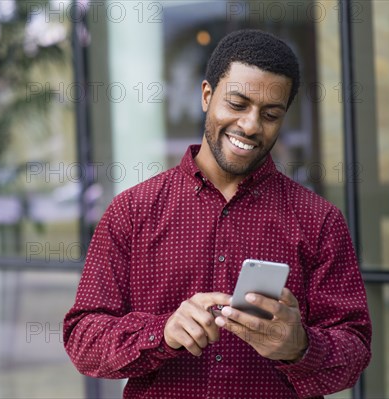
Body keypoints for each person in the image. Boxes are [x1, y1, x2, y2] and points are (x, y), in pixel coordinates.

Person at [63, 29, 371, 399]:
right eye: (238, 104)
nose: (251, 125)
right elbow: (83, 338)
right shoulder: (132, 212)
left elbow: (355, 348)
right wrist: (161, 332)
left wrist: (300, 346)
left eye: (270, 114)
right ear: (207, 95)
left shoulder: (319, 220)